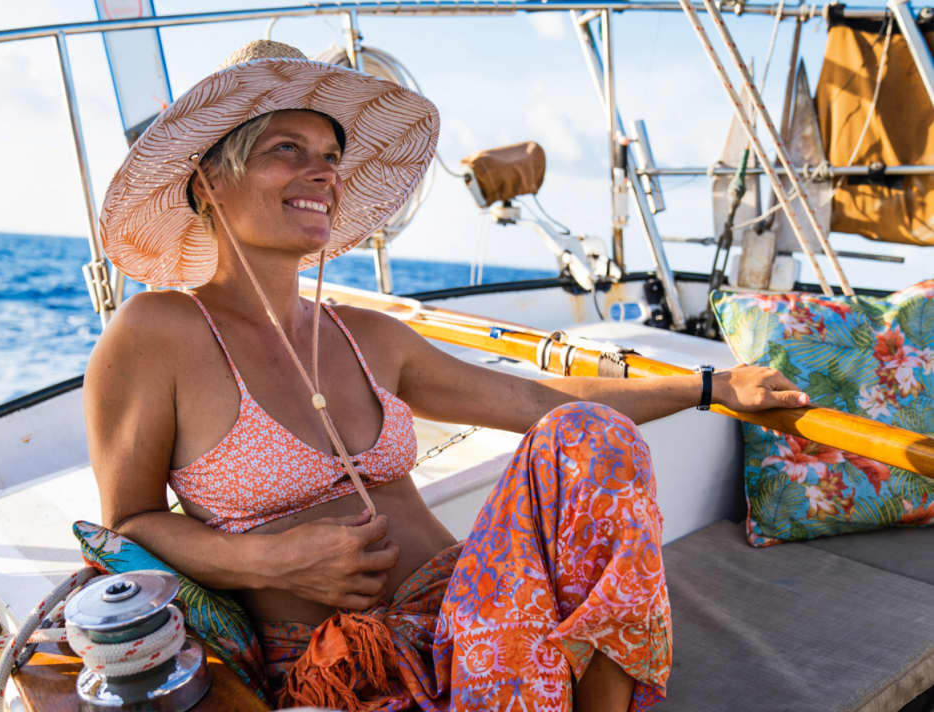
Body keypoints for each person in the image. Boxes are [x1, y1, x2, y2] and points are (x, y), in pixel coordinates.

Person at [85, 40, 809, 712]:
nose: (325, 173)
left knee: (592, 436)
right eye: (287, 149)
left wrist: (710, 387)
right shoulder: (159, 332)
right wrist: (265, 561)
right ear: (210, 180)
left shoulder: (366, 335)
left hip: (471, 620)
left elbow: (538, 401)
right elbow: (128, 525)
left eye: (331, 156)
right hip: (340, 661)